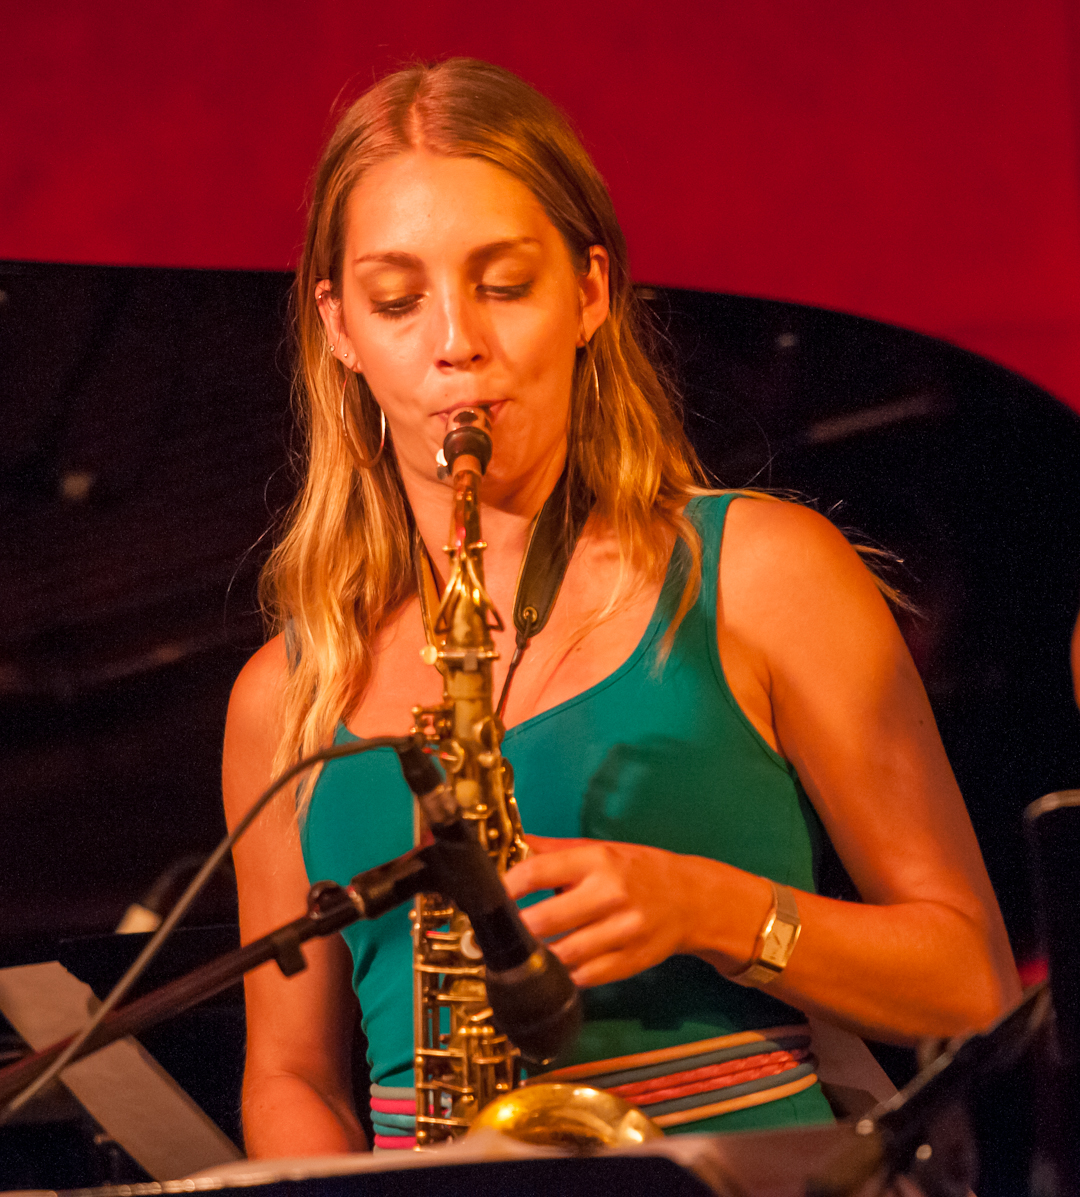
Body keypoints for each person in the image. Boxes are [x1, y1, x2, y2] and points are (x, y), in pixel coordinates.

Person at [222, 58, 1020, 1158]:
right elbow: (292, 1080)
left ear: (590, 292)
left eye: (504, 284)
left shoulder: (760, 570)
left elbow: (972, 981)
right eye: (398, 300)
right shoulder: (284, 700)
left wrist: (708, 908)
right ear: (340, 329)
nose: (455, 340)